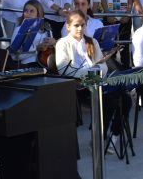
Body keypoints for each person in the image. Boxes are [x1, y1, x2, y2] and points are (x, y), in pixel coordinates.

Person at [55, 10, 131, 145]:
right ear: (68, 26)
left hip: (97, 80)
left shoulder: (92, 41)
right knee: (109, 101)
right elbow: (63, 69)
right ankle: (98, 139)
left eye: (82, 25)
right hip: (79, 85)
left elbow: (103, 66)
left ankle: (114, 135)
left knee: (126, 98)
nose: (80, 28)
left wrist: (95, 72)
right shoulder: (62, 43)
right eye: (76, 25)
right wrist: (90, 71)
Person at [9, 0, 55, 67]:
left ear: (38, 13)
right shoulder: (18, 30)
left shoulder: (47, 29)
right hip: (26, 65)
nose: (28, 13)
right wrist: (36, 49)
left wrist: (54, 43)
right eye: (26, 11)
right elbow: (14, 56)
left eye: (31, 11)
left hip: (44, 65)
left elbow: (51, 53)